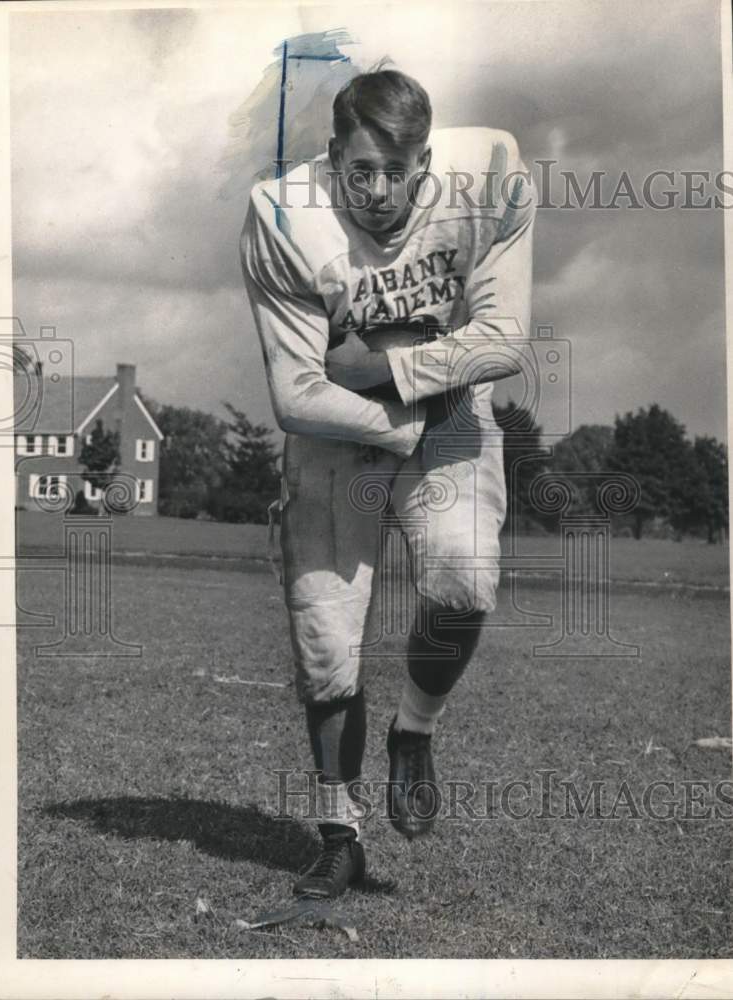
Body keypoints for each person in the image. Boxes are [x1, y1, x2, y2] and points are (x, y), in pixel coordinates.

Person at [240, 68, 535, 899]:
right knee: (326, 643)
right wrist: (399, 413)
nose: (375, 192)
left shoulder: (491, 173)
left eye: (395, 172)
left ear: (427, 161)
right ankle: (339, 832)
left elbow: (506, 340)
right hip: (338, 429)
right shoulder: (281, 214)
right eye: (357, 171)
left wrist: (385, 367)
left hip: (442, 407)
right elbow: (298, 394)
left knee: (465, 585)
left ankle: (415, 729)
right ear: (333, 157)